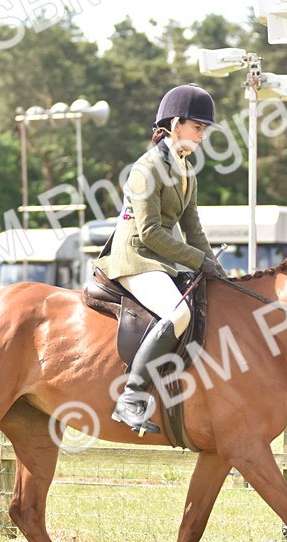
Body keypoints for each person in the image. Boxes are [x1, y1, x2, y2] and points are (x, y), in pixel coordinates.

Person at [94, 84, 224, 434]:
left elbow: (193, 230)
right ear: (176, 123)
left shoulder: (186, 171)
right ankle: (131, 396)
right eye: (198, 127)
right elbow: (150, 232)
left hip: (160, 260)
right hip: (134, 257)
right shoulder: (146, 169)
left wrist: (218, 271)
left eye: (204, 129)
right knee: (178, 312)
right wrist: (198, 260)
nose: (202, 135)